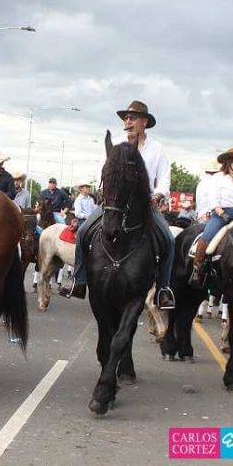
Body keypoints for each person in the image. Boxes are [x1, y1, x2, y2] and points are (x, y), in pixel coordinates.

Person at [64, 100, 176, 310]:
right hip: (115, 203)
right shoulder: (115, 145)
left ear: (144, 122)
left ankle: (163, 289)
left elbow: (164, 180)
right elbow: (104, 171)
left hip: (145, 205)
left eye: (132, 117)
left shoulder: (157, 149)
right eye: (126, 118)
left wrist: (158, 194)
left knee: (169, 240)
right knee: (83, 232)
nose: (128, 121)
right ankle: (79, 282)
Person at [190, 147, 233, 287]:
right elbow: (213, 201)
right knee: (207, 237)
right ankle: (197, 269)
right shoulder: (218, 178)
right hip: (222, 214)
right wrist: (222, 214)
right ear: (229, 162)